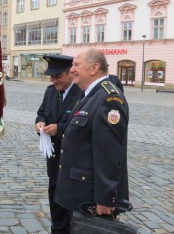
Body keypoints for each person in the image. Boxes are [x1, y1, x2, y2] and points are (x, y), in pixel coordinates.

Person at [54, 48, 129, 228]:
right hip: (79, 191)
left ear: (94, 68)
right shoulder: (91, 95)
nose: (71, 70)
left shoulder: (108, 99)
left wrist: (105, 198)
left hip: (92, 198)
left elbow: (109, 153)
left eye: (76, 65)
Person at [35, 55, 82, 234]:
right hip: (54, 162)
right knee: (56, 204)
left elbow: (83, 126)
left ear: (70, 73)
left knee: (72, 210)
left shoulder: (82, 93)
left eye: (58, 76)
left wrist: (60, 129)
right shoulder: (50, 92)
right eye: (51, 77)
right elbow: (42, 113)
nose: (54, 80)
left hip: (73, 163)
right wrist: (39, 122)